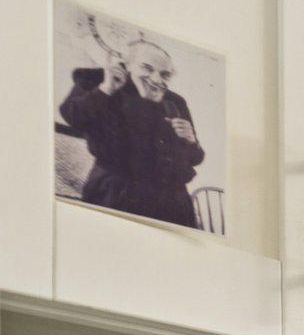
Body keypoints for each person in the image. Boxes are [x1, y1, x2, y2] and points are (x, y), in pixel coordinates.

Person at [58, 37, 204, 229]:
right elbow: (73, 116)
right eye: (147, 68)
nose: (156, 79)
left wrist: (192, 141)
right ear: (127, 66)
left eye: (165, 74)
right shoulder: (100, 82)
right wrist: (106, 89)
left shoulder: (175, 102)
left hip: (173, 204)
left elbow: (195, 158)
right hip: (117, 195)